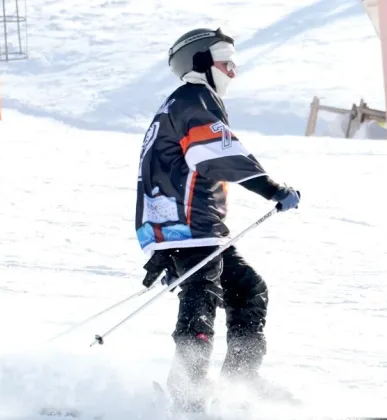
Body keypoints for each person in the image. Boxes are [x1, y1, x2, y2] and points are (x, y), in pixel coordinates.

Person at [134, 27, 301, 412]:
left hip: (190, 226)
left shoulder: (184, 102)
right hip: (185, 224)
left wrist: (160, 242)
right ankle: (185, 392)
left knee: (247, 288)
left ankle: (240, 380)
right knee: (201, 296)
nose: (233, 72)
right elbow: (220, 155)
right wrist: (273, 189)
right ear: (203, 64)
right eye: (227, 63)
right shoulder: (192, 101)